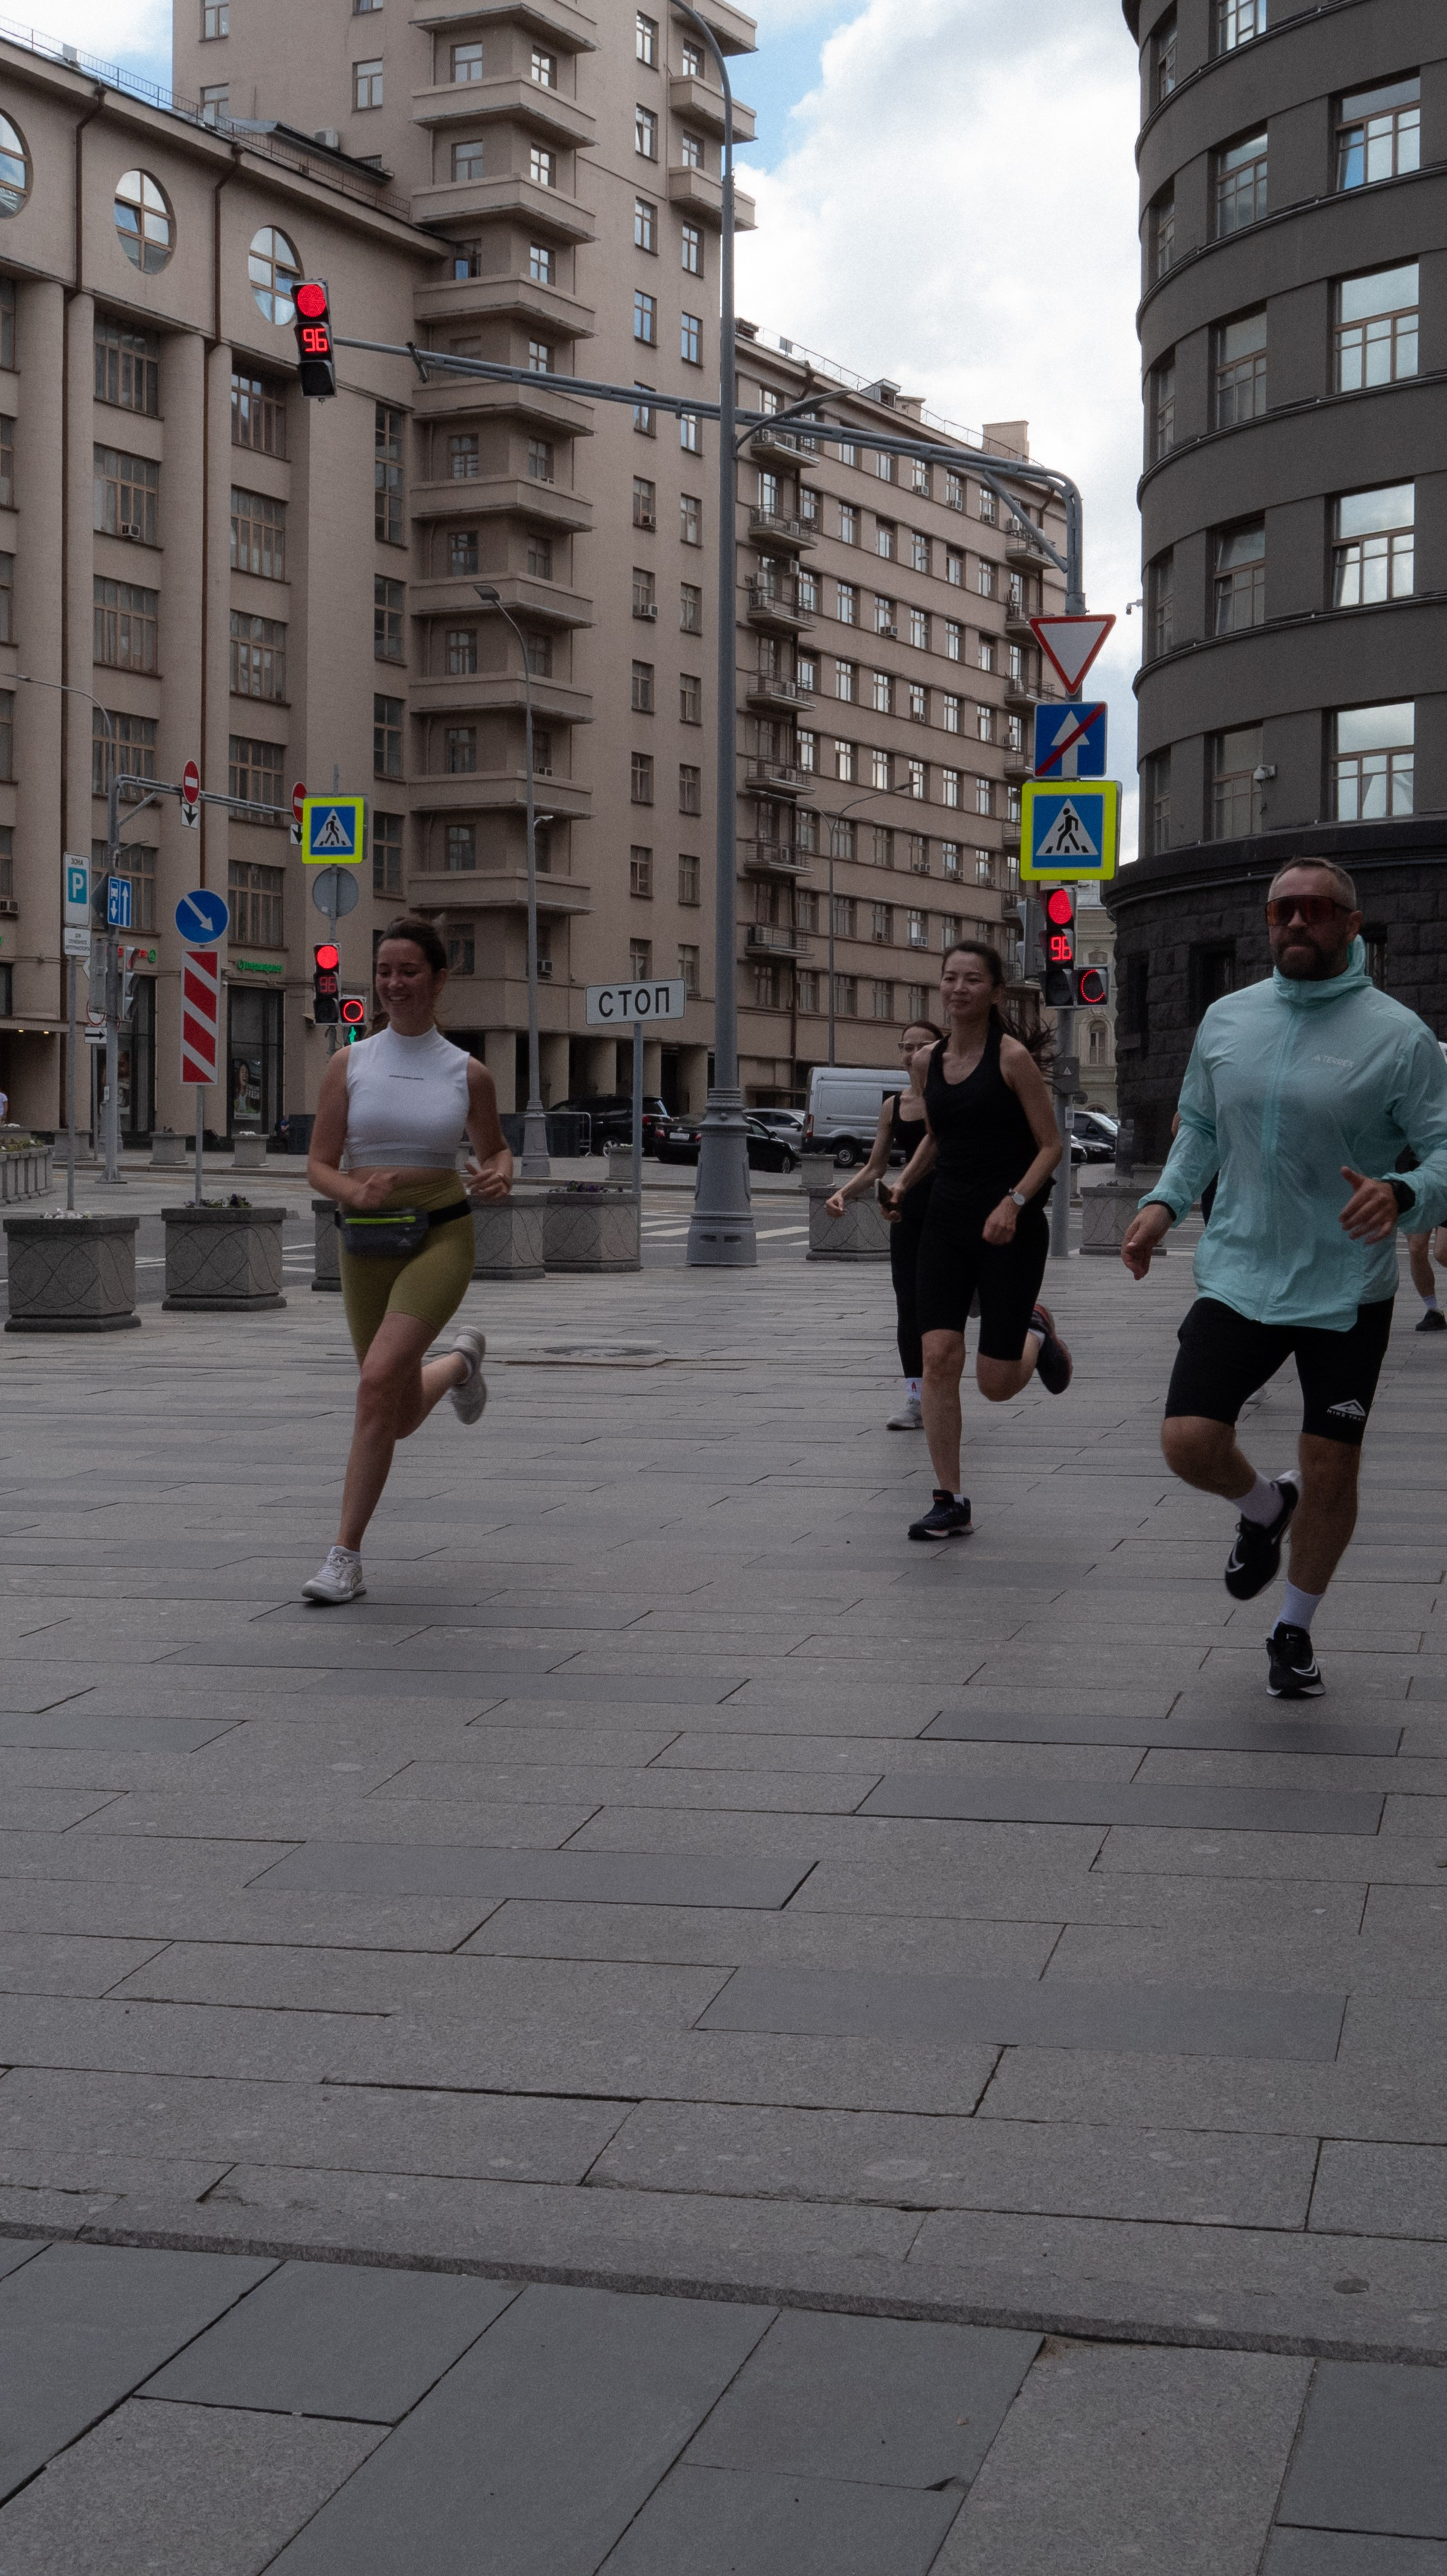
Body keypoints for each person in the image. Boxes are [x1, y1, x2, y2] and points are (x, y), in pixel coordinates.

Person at [1121, 858, 1447, 1698]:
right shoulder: (1227, 1019)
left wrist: (1404, 1191)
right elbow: (1199, 1125)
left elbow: (1445, 1149)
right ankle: (1266, 1506)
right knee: (1188, 1441)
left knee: (1332, 1468)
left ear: (1351, 924)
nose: (1296, 921)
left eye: (1316, 908)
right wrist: (1163, 1203)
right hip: (1239, 1272)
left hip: (1345, 1289)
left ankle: (1293, 1629)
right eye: (1281, 910)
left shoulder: (1399, 1036)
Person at [303, 917, 514, 1604]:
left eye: (409, 972)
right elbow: (318, 1164)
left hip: (440, 1236)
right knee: (391, 1410)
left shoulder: (466, 1071)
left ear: (439, 979)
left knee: (376, 1383)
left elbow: (496, 1149)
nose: (394, 984)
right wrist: (353, 1191)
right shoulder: (350, 1063)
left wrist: (498, 1175)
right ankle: (458, 1366)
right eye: (385, 972)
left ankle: (344, 1558)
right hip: (366, 1238)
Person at [888, 942, 1073, 1541]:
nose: (959, 989)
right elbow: (938, 1138)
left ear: (995, 992)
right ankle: (951, 1499)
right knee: (939, 1358)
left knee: (995, 1383)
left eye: (972, 980)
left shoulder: (1012, 1058)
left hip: (1009, 1228)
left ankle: (1036, 1333)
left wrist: (1013, 1202)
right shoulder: (928, 1061)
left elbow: (1052, 1146)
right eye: (950, 978)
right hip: (945, 1224)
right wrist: (904, 1182)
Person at [824, 1019, 942, 1428]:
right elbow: (876, 1167)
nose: (913, 1054)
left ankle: (942, 1385)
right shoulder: (893, 1106)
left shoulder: (953, 1098)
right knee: (908, 1304)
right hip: (907, 1212)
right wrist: (843, 1193)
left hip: (952, 1208)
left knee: (947, 1303)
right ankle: (917, 1399)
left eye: (923, 1046)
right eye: (906, 1046)